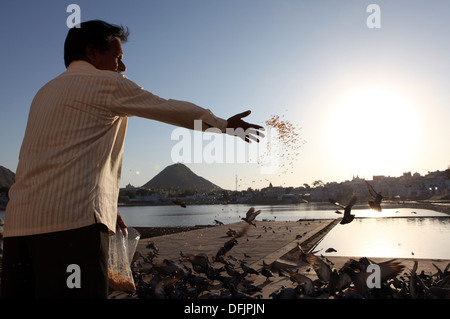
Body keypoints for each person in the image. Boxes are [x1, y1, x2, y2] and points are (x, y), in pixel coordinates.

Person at [0, 20, 263, 299]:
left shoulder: (44, 92)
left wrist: (108, 209)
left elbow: (55, 158)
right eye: (117, 58)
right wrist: (223, 125)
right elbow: (169, 108)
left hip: (19, 230)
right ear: (92, 53)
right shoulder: (106, 83)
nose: (122, 67)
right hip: (72, 230)